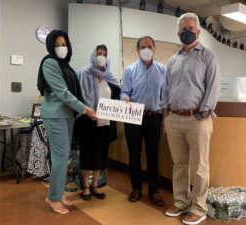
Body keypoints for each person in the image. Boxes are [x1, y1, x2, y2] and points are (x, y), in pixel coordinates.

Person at [161, 13, 220, 225]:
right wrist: (165, 111)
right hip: (174, 118)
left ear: (198, 31)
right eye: (183, 28)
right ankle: (182, 202)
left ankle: (199, 208)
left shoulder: (208, 56)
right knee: (179, 164)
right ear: (178, 33)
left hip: (198, 118)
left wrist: (204, 112)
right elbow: (166, 87)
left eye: (191, 27)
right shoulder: (172, 60)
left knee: (200, 165)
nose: (187, 31)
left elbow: (213, 87)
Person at [37, 30, 97, 214]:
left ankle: (58, 193)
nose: (61, 48)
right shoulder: (49, 63)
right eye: (58, 45)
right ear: (50, 46)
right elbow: (62, 92)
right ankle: (53, 198)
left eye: (64, 44)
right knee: (60, 158)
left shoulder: (65, 66)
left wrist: (81, 108)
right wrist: (85, 108)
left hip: (66, 116)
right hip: (55, 116)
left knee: (63, 158)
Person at [121, 36, 166, 207]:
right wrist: (125, 97)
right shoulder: (130, 70)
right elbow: (125, 91)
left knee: (153, 156)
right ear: (137, 50)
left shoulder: (163, 70)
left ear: (154, 49)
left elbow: (165, 96)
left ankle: (154, 191)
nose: (146, 49)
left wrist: (164, 119)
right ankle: (136, 188)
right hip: (133, 117)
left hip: (154, 117)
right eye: (142, 47)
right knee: (134, 154)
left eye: (149, 46)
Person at [75, 45, 120, 201]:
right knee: (87, 155)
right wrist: (87, 110)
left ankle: (95, 185)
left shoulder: (110, 77)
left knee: (101, 156)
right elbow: (77, 97)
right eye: (99, 53)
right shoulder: (83, 74)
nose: (102, 56)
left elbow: (117, 98)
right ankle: (86, 187)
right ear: (94, 55)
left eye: (105, 54)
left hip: (105, 124)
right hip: (87, 122)